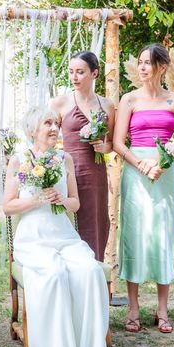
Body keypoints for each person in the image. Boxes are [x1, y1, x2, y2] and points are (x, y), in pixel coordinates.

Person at [3, 106, 111, 347]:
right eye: (47, 123)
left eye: (56, 123)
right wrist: (36, 199)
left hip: (64, 235)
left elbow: (75, 204)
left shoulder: (66, 159)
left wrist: (63, 200)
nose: (54, 128)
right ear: (32, 130)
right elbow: (7, 206)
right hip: (33, 238)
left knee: (89, 271)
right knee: (55, 273)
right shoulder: (20, 160)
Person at [112, 43, 174, 334]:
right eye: (140, 62)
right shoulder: (130, 99)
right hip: (136, 172)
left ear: (162, 67)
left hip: (165, 173)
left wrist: (163, 162)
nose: (142, 67)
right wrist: (142, 164)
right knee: (134, 235)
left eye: (147, 63)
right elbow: (119, 143)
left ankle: (161, 309)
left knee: (162, 234)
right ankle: (133, 308)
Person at [51, 51, 115, 261]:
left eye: (80, 72)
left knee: (95, 222)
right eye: (71, 72)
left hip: (95, 174)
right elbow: (47, 138)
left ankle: (94, 272)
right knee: (70, 222)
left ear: (94, 73)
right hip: (69, 172)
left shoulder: (107, 105)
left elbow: (111, 143)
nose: (74, 77)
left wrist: (102, 147)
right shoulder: (61, 103)